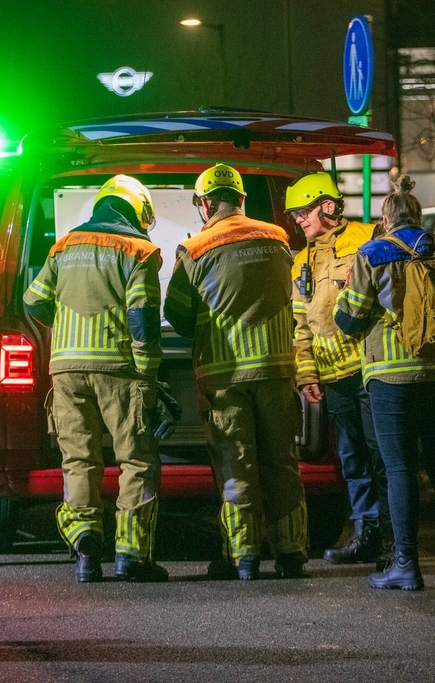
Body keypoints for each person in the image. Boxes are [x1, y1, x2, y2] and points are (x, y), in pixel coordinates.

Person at [335, 175, 435, 590]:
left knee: (401, 468)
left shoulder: (372, 253)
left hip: (391, 376)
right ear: (419, 215)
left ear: (386, 219)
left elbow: (349, 318)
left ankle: (405, 565)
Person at [164, 163, 308, 581]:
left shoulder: (194, 249)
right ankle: (292, 552)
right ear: (242, 198)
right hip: (278, 369)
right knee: (282, 462)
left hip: (226, 376)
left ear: (205, 203)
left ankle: (243, 556)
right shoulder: (278, 238)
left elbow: (178, 312)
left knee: (236, 465)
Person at [23, 174, 167, 583]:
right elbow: (141, 319)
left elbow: (32, 300)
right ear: (138, 210)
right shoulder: (138, 249)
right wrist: (148, 374)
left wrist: (68, 328)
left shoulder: (64, 245)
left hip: (66, 369)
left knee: (80, 460)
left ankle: (86, 548)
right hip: (118, 369)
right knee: (136, 460)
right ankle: (132, 557)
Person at [286, 172, 389, 568]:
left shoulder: (368, 239)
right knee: (352, 458)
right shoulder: (301, 262)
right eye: (295, 213)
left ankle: (392, 536)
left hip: (372, 370)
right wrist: (308, 376)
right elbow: (301, 327)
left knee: (382, 456)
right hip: (334, 378)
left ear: (328, 205)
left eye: (304, 210)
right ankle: (367, 532)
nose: (299, 219)